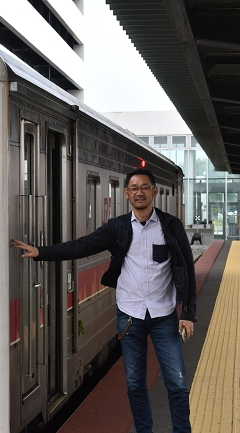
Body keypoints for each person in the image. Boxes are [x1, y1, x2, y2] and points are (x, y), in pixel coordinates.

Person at [11, 168, 195, 433]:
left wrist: (188, 313)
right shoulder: (117, 227)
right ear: (126, 194)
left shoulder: (171, 226)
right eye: (134, 188)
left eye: (145, 187)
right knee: (135, 384)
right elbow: (82, 246)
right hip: (130, 316)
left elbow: (187, 268)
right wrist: (41, 252)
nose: (140, 193)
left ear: (154, 191)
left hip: (164, 315)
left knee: (176, 382)